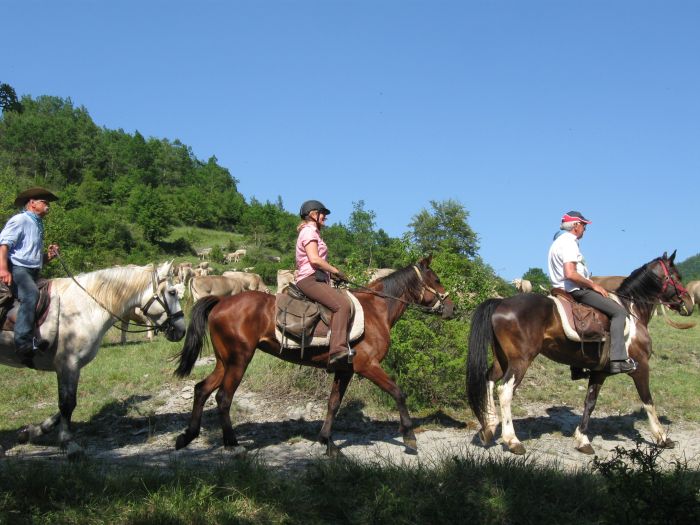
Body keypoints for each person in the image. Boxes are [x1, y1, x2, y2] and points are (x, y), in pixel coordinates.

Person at [547, 211, 637, 375]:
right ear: (575, 225)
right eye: (583, 225)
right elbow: (570, 273)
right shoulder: (569, 243)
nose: (585, 229)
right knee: (619, 312)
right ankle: (618, 361)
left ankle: (578, 365)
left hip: (560, 291)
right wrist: (593, 285)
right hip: (575, 290)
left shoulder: (557, 243)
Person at [0, 187, 61, 365]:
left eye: (48, 203)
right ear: (32, 203)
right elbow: (3, 245)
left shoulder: (37, 224)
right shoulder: (20, 220)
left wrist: (48, 257)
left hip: (33, 271)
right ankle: (23, 344)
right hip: (18, 269)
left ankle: (38, 338)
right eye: (45, 203)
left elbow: (31, 257)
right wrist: (3, 269)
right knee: (31, 295)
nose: (48, 206)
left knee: (50, 293)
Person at [294, 200, 351, 366]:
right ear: (313, 214)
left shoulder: (314, 233)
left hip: (316, 278)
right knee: (342, 305)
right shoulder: (309, 232)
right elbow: (314, 260)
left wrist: (331, 275)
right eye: (322, 213)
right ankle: (337, 351)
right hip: (309, 279)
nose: (325, 217)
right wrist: (335, 270)